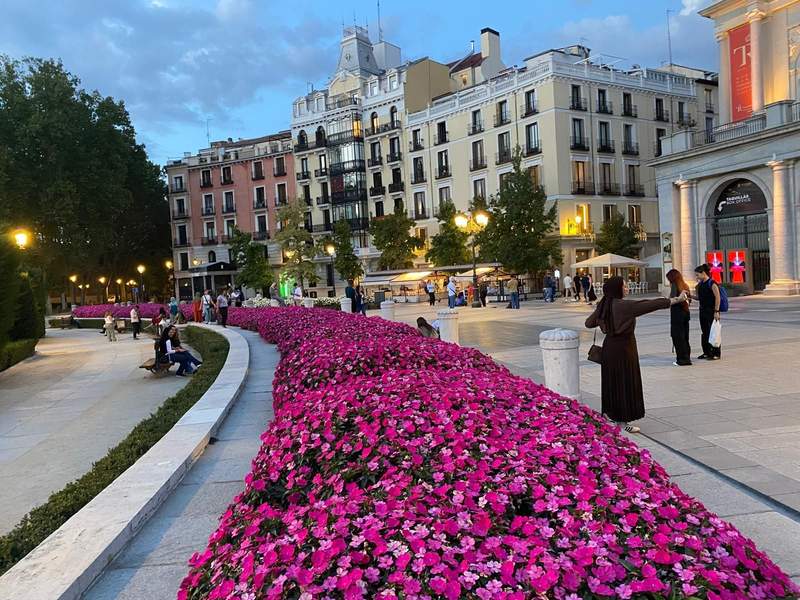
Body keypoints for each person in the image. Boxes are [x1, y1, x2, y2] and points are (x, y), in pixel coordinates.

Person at [586, 276, 687, 433]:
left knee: (612, 383)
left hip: (609, 348)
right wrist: (677, 299)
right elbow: (650, 304)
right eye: (624, 286)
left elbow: (589, 323)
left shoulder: (604, 304)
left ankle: (611, 415)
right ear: (616, 289)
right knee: (624, 383)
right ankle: (622, 422)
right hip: (624, 349)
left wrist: (602, 315)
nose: (626, 288)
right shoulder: (623, 305)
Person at [690, 264, 722, 360]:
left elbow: (717, 297)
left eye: (697, 275)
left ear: (703, 273)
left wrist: (716, 311)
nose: (697, 277)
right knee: (705, 332)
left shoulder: (712, 283)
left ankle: (716, 353)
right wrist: (690, 296)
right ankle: (706, 352)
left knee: (714, 332)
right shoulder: (700, 285)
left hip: (712, 311)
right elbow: (700, 298)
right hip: (703, 311)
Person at [666, 269, 692, 366]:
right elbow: (689, 301)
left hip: (677, 315)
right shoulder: (685, 286)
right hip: (685, 313)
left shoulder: (674, 286)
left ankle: (682, 359)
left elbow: (672, 300)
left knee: (677, 337)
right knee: (685, 337)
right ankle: (686, 357)